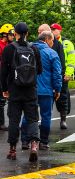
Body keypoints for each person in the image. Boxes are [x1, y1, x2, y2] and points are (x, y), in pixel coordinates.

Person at [1, 22, 42, 161]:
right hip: (30, 90)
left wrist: (5, 89)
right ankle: (34, 145)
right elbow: (39, 70)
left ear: (15, 34)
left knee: (13, 119)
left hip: (15, 90)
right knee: (32, 119)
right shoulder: (34, 49)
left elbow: (3, 71)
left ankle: (12, 150)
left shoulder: (9, 49)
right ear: (28, 34)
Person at [21, 31, 62, 150]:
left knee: (27, 116)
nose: (53, 43)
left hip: (30, 89)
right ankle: (43, 142)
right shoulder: (52, 53)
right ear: (47, 39)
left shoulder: (28, 50)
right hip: (46, 91)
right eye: (52, 40)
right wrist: (57, 89)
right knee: (46, 116)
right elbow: (57, 74)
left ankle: (25, 141)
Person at [51, 23, 75, 129]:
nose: (52, 31)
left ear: (59, 31)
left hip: (63, 74)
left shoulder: (66, 43)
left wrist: (69, 73)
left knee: (63, 96)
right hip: (52, 74)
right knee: (49, 98)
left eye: (54, 29)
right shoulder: (49, 42)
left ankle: (63, 120)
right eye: (51, 29)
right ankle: (46, 120)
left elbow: (72, 59)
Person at [0, 24, 15, 131]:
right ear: (5, 34)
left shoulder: (10, 45)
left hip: (8, 75)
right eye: (11, 34)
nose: (13, 36)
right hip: (1, 74)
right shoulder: (1, 45)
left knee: (8, 100)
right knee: (1, 100)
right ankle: (1, 123)